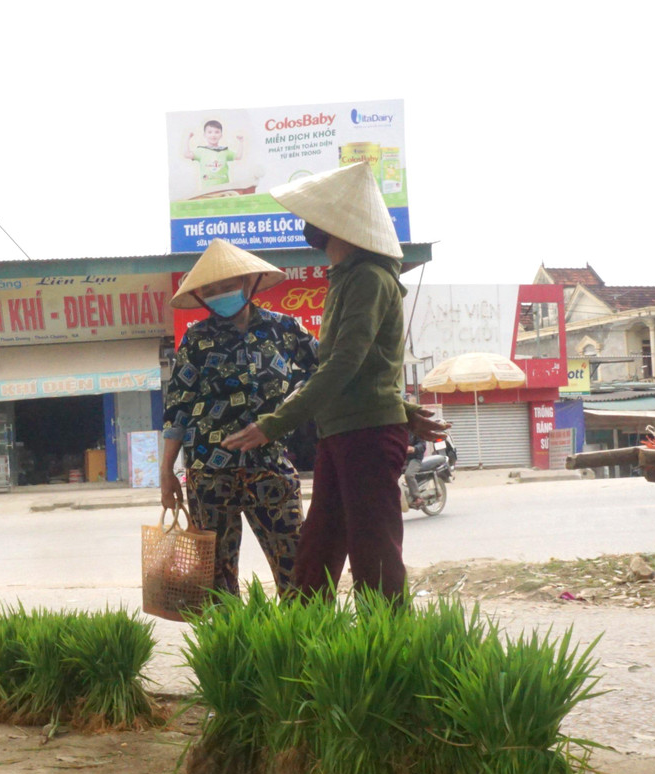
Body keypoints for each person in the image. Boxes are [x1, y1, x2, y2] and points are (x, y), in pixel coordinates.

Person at [223, 162, 449, 604]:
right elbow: (364, 372)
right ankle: (306, 645)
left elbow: (345, 363)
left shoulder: (367, 277)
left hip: (363, 434)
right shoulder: (348, 277)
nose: (308, 226)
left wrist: (274, 423)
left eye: (315, 218)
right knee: (318, 548)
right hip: (342, 432)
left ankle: (387, 653)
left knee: (373, 554)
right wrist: (402, 411)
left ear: (337, 224)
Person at [160, 239, 318, 596]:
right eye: (211, 290)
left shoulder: (285, 329)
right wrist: (166, 473)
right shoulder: (196, 339)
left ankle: (296, 648)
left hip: (271, 467)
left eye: (227, 285)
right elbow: (177, 409)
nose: (220, 294)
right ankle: (228, 649)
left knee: (299, 571)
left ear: (249, 283)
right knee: (216, 580)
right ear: (200, 298)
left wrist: (290, 408)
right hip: (209, 475)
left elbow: (325, 372)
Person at [183, 120, 248, 194]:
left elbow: (238, 156)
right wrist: (187, 139)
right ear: (205, 135)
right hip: (208, 190)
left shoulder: (224, 151)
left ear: (221, 135)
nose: (213, 135)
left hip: (224, 188)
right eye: (210, 132)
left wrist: (241, 142)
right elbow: (186, 154)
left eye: (217, 132)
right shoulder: (201, 151)